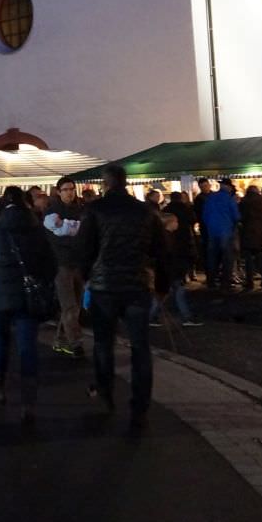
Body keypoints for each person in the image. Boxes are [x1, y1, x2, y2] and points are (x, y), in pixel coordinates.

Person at [77, 163, 167, 430]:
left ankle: (105, 393)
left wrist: (87, 278)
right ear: (125, 182)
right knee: (140, 347)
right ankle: (139, 405)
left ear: (106, 183)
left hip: (105, 287)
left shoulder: (95, 210)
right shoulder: (145, 211)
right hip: (136, 285)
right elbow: (162, 251)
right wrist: (162, 285)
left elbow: (84, 250)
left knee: (104, 343)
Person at [0, 185, 55, 422]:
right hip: (27, 296)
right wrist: (42, 283)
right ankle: (28, 400)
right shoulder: (35, 228)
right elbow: (50, 263)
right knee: (27, 346)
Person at [42, 177, 87, 358]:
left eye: (72, 189)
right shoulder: (52, 213)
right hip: (62, 264)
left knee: (74, 304)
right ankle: (75, 343)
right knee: (70, 306)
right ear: (58, 191)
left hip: (77, 263)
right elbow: (56, 239)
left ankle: (60, 339)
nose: (70, 192)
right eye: (66, 189)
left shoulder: (79, 210)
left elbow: (84, 234)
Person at [200, 178, 240, 290]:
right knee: (227, 258)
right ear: (228, 187)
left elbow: (204, 216)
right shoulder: (229, 199)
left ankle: (211, 282)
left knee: (212, 257)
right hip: (226, 231)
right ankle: (225, 283)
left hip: (212, 231)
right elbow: (236, 216)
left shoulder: (210, 198)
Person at [238, 185, 262, 289]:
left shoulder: (243, 202)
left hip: (247, 231)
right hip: (261, 231)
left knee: (248, 258)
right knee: (260, 255)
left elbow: (240, 216)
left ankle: (249, 281)